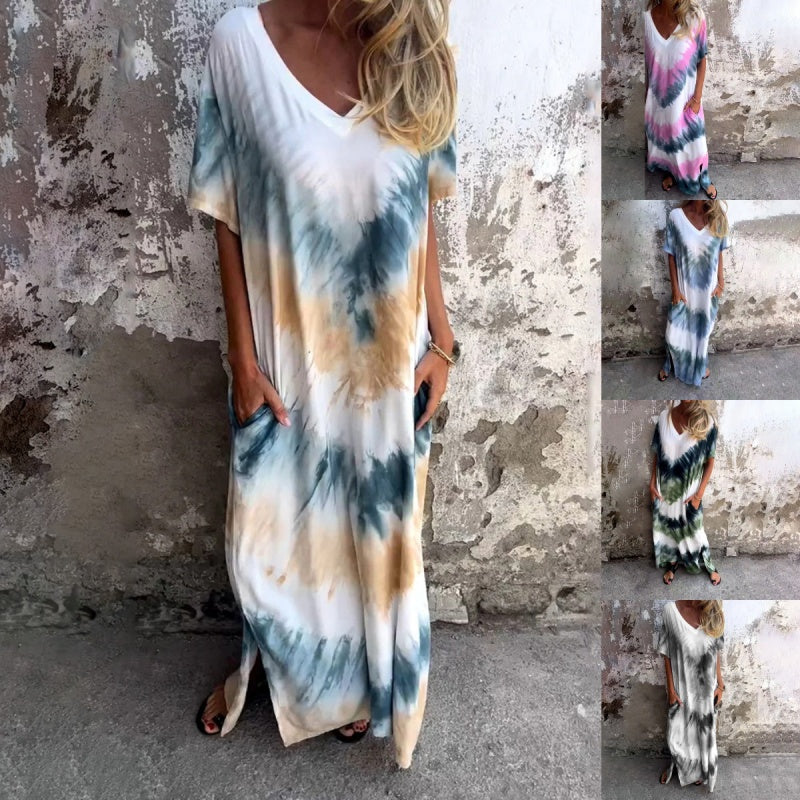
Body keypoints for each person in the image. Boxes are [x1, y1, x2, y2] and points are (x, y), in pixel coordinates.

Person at [186, 0, 458, 769]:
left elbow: (422, 202)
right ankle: (274, 666)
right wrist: (242, 361)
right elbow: (227, 213)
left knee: (367, 534)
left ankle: (352, 688)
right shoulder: (241, 46)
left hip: (388, 365)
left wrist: (443, 340)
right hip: (288, 356)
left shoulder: (416, 43)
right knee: (268, 539)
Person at [644, 0, 717, 197]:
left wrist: (697, 99)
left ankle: (702, 177)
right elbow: (649, 66)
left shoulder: (695, 16)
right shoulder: (647, 19)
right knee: (668, 142)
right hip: (659, 102)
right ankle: (672, 172)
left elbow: (702, 59)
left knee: (694, 145)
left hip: (686, 101)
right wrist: (648, 100)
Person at [657, 199, 729, 386]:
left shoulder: (718, 216)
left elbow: (719, 251)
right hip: (684, 289)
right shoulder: (676, 217)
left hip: (708, 291)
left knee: (702, 332)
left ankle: (699, 364)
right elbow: (671, 255)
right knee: (673, 334)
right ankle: (670, 362)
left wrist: (721, 282)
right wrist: (675, 289)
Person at [650, 400, 721, 586]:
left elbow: (710, 462)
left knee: (696, 532)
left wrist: (698, 496)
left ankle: (709, 565)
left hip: (690, 494)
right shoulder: (664, 418)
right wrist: (652, 483)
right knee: (668, 531)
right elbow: (657, 453)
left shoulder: (707, 422)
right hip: (665, 492)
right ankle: (672, 563)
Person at [657, 600, 725, 792]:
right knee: (677, 733)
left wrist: (720, 685)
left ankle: (698, 771)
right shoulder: (670, 611)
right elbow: (666, 653)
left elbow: (716, 650)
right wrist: (671, 690)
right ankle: (678, 765)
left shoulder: (715, 609)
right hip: (682, 687)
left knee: (702, 734)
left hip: (706, 690)